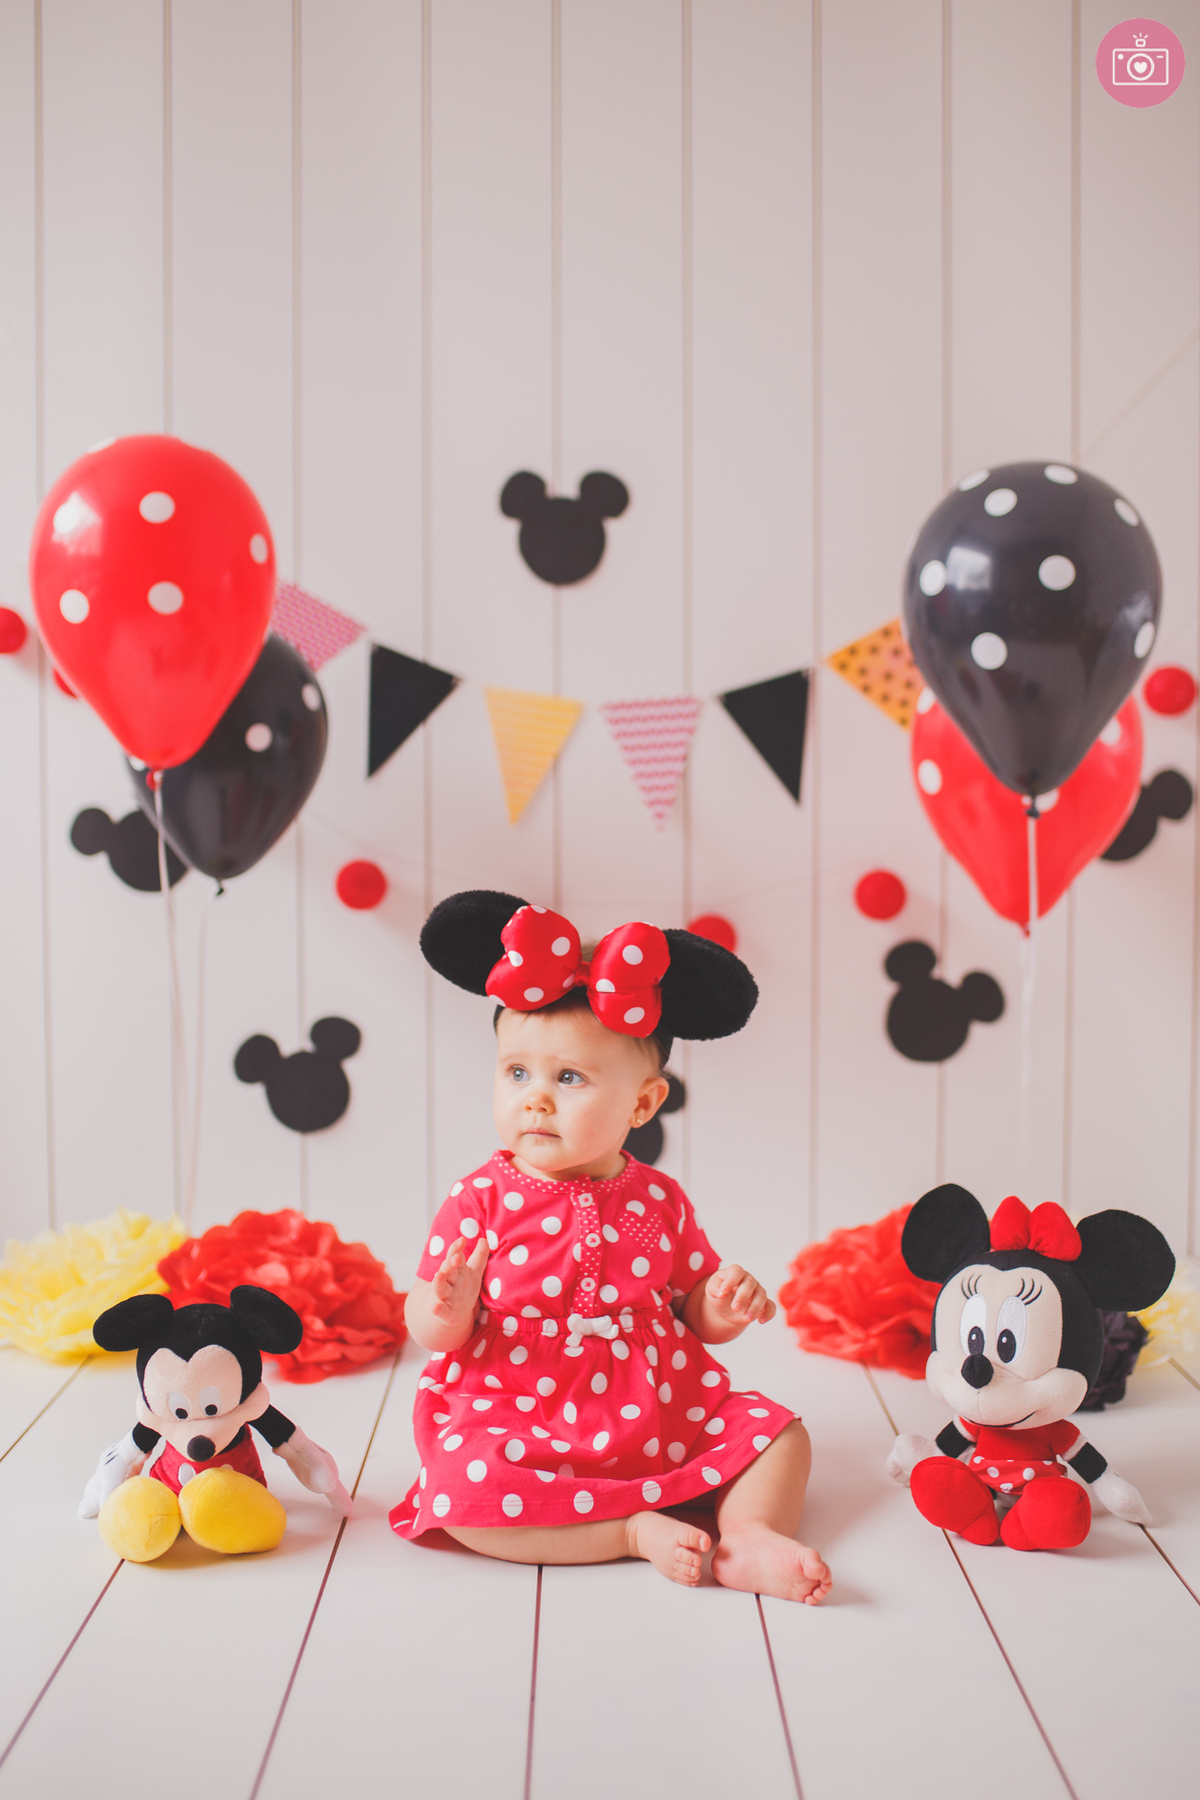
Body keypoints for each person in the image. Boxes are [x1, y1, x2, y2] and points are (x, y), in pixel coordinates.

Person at [389, 892, 830, 1605]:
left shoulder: (659, 1199)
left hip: (655, 1406)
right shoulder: (481, 1197)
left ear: (643, 1103)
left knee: (781, 1436)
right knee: (458, 1493)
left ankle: (747, 1535)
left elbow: (693, 1314)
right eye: (516, 1073)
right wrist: (447, 1307)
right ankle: (630, 1530)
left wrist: (723, 1303)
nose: (535, 1099)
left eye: (569, 1078)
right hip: (518, 1405)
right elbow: (429, 1328)